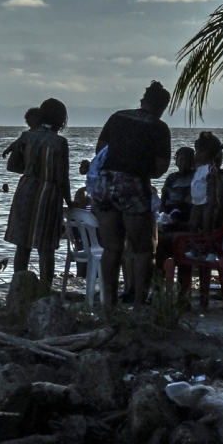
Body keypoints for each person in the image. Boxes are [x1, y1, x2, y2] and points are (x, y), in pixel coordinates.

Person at [91, 81, 172, 306]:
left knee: (112, 248)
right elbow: (160, 168)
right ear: (163, 106)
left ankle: (109, 305)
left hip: (105, 184)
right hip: (133, 184)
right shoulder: (159, 128)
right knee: (144, 249)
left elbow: (100, 151)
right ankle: (138, 305)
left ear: (142, 101)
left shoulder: (117, 117)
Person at [4, 97, 71, 287]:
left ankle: (18, 288)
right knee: (46, 247)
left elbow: (12, 166)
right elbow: (62, 177)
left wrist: (31, 172)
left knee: (22, 245)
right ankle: (44, 289)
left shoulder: (25, 137)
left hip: (25, 190)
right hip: (48, 194)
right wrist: (70, 201)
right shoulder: (59, 143)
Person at [189, 131, 223, 234]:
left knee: (205, 228)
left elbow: (212, 190)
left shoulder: (210, 171)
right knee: (192, 226)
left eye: (197, 151)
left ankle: (206, 244)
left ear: (204, 153)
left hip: (207, 205)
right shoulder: (199, 169)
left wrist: (211, 206)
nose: (195, 154)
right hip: (197, 204)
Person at [156, 146, 197, 260]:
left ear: (193, 162)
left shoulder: (195, 177)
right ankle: (159, 275)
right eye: (181, 160)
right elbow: (164, 196)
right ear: (176, 161)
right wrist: (162, 208)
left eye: (187, 160)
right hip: (170, 209)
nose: (184, 163)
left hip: (186, 211)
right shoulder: (172, 177)